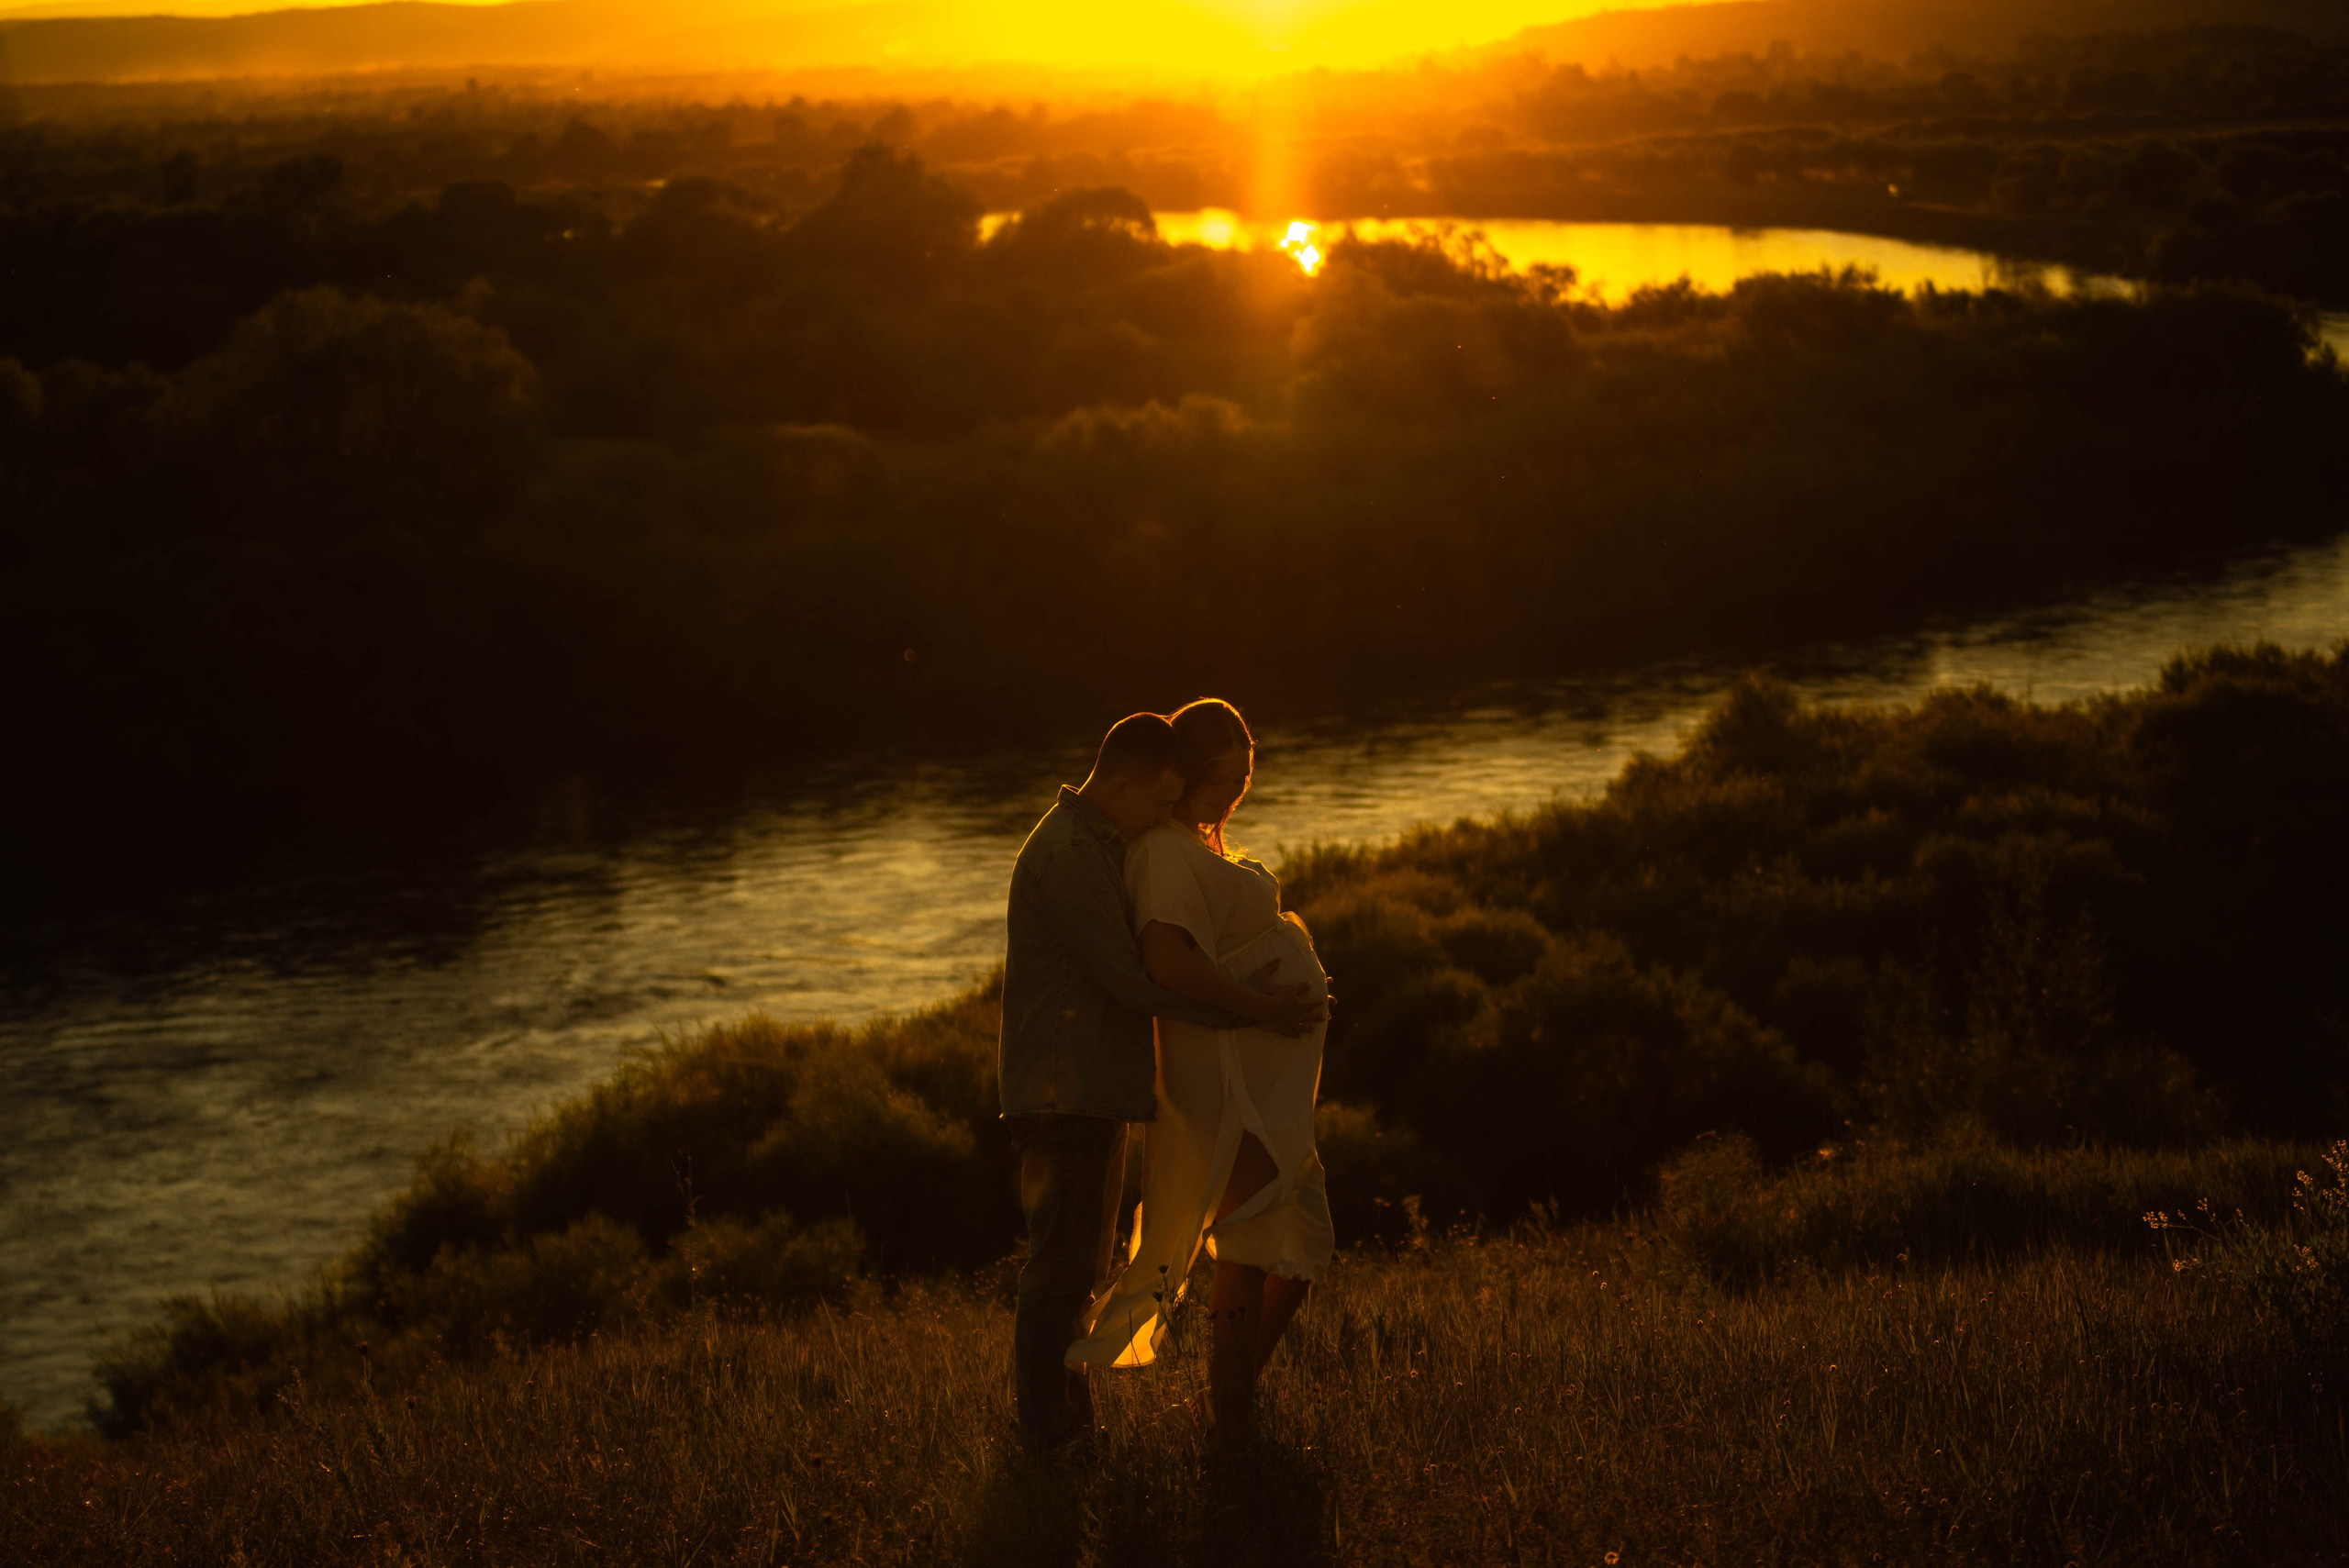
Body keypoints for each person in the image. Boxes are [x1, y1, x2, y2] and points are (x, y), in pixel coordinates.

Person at [998, 710, 1323, 1452]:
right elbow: (1136, 982)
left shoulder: (1095, 842)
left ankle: (1065, 1425)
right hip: (1063, 1091)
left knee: (1081, 1264)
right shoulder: (1071, 855)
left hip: (1093, 1088)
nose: (1161, 819)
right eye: (1155, 802)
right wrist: (1255, 1013)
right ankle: (1050, 1435)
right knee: (1060, 1270)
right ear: (1120, 783)